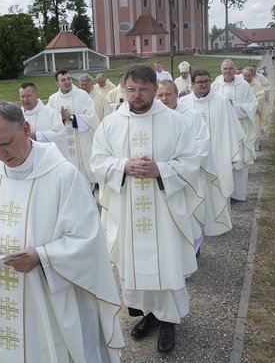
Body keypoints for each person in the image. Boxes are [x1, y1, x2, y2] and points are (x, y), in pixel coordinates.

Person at [0, 101, 124, 362]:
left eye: (6, 143)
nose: (0, 153)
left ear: (26, 128)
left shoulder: (63, 175)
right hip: (0, 289)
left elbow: (86, 238)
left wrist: (42, 256)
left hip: (49, 289)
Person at [90, 65, 201, 354]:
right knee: (136, 264)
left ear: (155, 89)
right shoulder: (111, 123)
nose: (136, 95)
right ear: (123, 89)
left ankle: (169, 322)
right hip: (127, 210)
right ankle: (149, 315)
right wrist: (123, 166)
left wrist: (160, 169)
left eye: (143, 89)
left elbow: (190, 162)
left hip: (164, 210)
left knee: (165, 263)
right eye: (131, 89)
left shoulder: (174, 121)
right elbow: (98, 160)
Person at [156, 80, 232, 256]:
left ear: (177, 94)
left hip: (189, 178)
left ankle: (193, 251)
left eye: (168, 94)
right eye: (160, 95)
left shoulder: (191, 116)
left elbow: (202, 146)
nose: (164, 99)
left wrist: (178, 165)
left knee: (192, 216)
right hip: (162, 178)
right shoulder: (152, 117)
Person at [180, 70, 245, 209]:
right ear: (192, 84)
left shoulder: (222, 101)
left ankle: (219, 225)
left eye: (207, 81)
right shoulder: (184, 103)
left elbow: (232, 129)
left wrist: (231, 153)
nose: (204, 84)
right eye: (200, 82)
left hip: (218, 156)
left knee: (219, 191)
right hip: (193, 158)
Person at [212, 59, 258, 201]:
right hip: (221, 130)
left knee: (239, 163)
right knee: (223, 161)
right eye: (225, 68)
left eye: (230, 68)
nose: (228, 71)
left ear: (234, 70)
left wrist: (233, 106)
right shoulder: (215, 85)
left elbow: (252, 106)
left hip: (239, 130)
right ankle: (223, 193)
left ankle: (238, 195)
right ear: (221, 70)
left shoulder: (243, 85)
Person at [47, 69, 100, 190]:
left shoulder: (82, 95)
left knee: (85, 182)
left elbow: (92, 118)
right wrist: (60, 119)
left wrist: (71, 117)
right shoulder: (52, 99)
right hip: (63, 146)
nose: (67, 82)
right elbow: (48, 123)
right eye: (63, 80)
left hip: (82, 144)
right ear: (57, 83)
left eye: (69, 79)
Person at [19, 82, 70, 160]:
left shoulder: (50, 113)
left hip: (47, 160)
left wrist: (37, 136)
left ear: (36, 96)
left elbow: (61, 135)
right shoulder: (16, 116)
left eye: (28, 96)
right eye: (22, 96)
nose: (25, 100)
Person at [242, 68, 269, 151]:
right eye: (245, 76)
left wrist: (251, 107)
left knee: (255, 132)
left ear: (252, 75)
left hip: (254, 112)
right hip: (242, 112)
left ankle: (254, 150)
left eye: (249, 76)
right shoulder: (240, 84)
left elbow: (260, 97)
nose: (247, 78)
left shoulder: (257, 85)